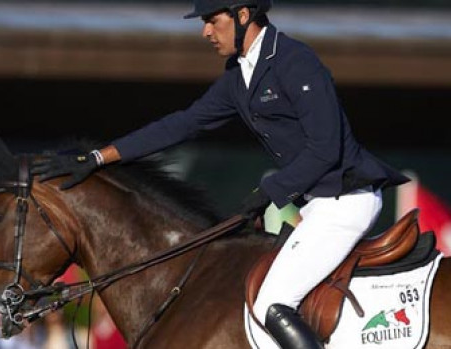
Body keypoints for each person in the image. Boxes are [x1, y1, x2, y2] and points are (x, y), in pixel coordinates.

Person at [31, 0, 410, 348]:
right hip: (318, 206)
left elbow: (325, 148)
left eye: (213, 20)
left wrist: (270, 190)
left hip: (347, 202)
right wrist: (98, 158)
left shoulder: (296, 61)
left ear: (243, 15)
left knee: (272, 304)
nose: (205, 32)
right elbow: (181, 125)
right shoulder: (238, 75)